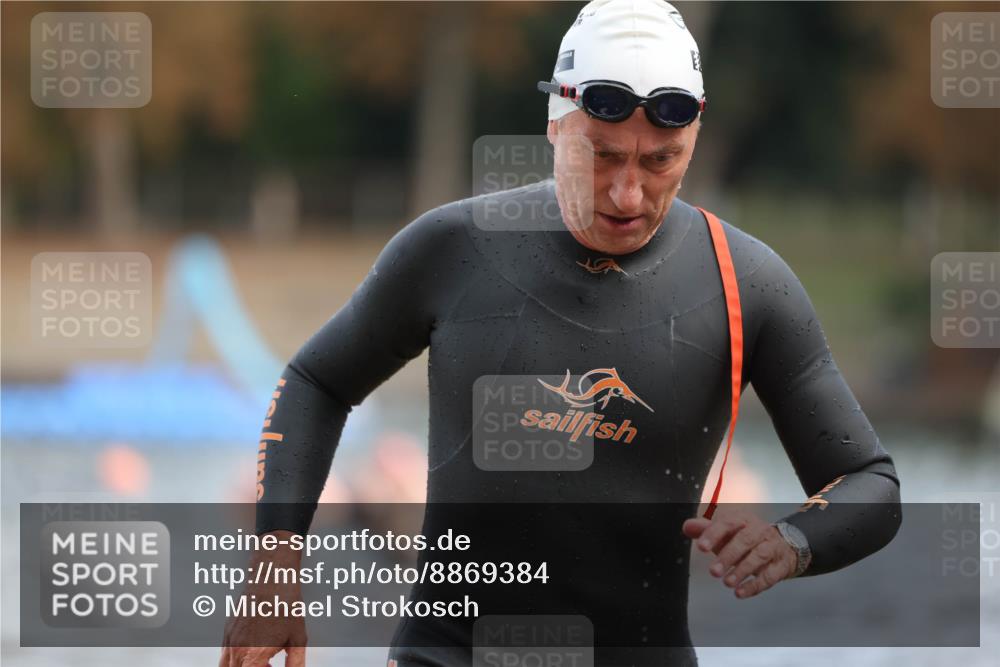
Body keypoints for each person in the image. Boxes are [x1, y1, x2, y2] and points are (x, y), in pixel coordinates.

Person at [220, 1, 901, 665]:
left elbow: (870, 483)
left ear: (693, 138)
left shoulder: (748, 284)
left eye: (660, 160)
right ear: (555, 125)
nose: (628, 194)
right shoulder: (454, 248)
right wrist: (276, 559)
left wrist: (790, 542)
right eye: (601, 155)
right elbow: (317, 380)